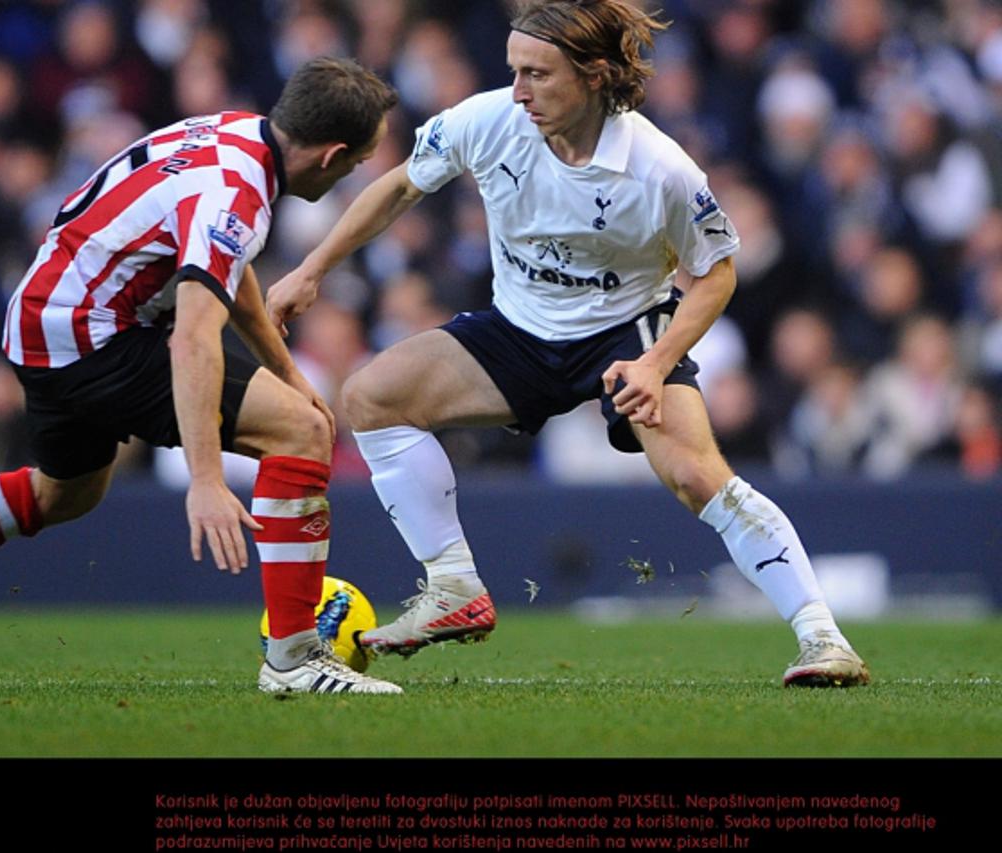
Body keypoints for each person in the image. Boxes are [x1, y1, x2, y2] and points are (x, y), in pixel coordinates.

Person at [268, 1, 869, 687]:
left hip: (624, 334)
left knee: (698, 476)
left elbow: (716, 272)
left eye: (538, 75)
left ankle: (824, 637)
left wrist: (657, 360)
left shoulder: (659, 168)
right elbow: (400, 186)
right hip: (520, 330)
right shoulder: (489, 120)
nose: (520, 91)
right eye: (514, 71)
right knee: (371, 396)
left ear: (594, 75)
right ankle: (454, 587)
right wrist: (311, 270)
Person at [0, 58, 404, 695]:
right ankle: (295, 659)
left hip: (42, 321)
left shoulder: (233, 134)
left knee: (66, 494)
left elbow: (226, 266)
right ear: (332, 155)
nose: (353, 174)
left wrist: (287, 372)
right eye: (357, 164)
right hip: (92, 335)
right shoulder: (238, 194)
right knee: (300, 433)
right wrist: (207, 478)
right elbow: (192, 338)